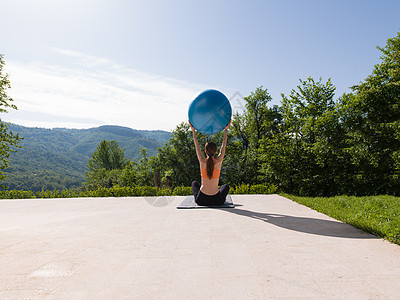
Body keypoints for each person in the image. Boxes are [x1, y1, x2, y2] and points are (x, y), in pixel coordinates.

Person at [189, 120, 230, 206]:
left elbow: (197, 146)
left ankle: (196, 199)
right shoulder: (218, 161)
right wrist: (226, 130)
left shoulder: (202, 161)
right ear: (216, 151)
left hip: (201, 200)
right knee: (225, 186)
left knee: (194, 183)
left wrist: (193, 131)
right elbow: (224, 146)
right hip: (217, 200)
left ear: (205, 151)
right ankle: (221, 197)